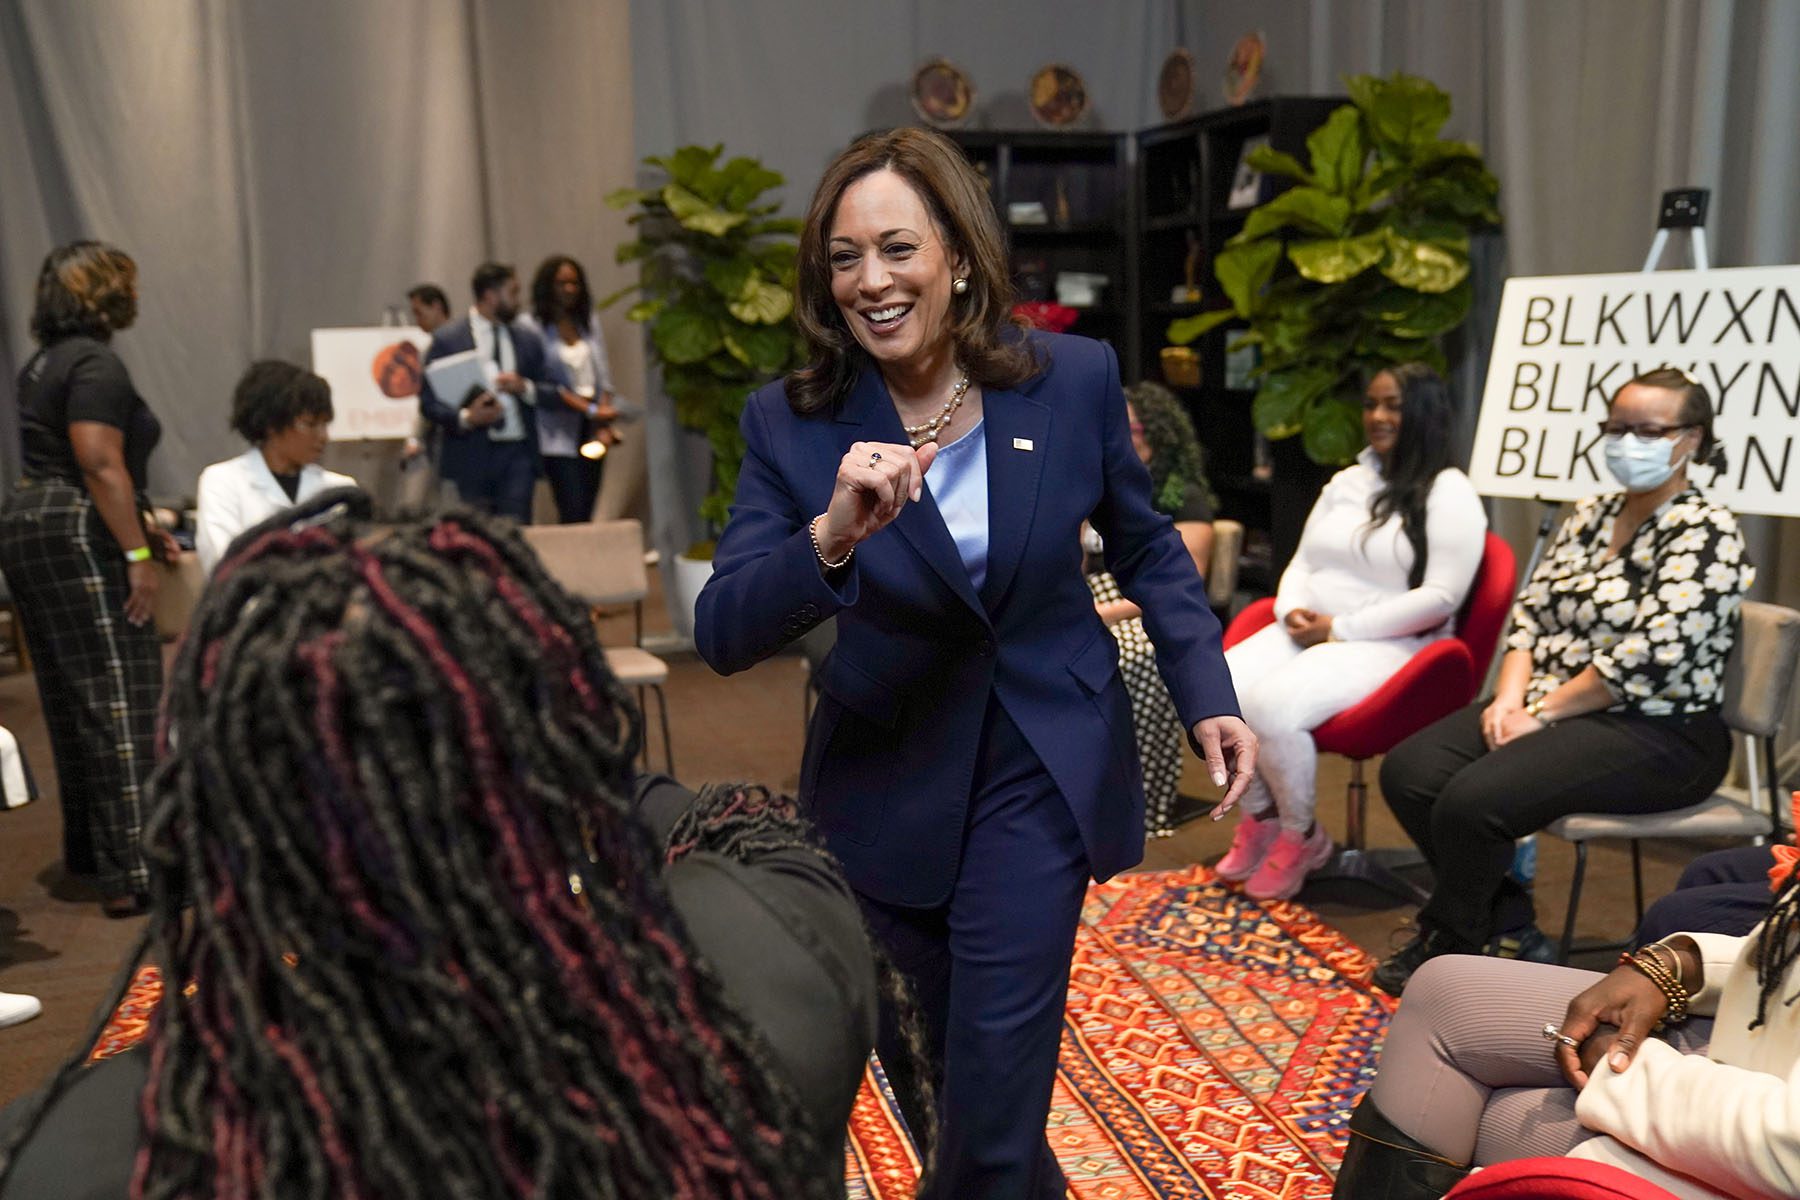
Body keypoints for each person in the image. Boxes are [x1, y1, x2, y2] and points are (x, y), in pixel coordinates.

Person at [0, 492, 912, 1199]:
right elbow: (746, 826)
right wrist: (547, 765)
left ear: (224, 808)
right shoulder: (769, 956)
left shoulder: (94, 1152)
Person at [693, 126, 1256, 1200]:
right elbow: (722, 630)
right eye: (845, 258)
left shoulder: (1072, 377)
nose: (873, 281)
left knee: (994, 1107)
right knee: (948, 1082)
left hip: (1040, 764)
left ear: (957, 254)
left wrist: (1206, 690)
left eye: (898, 248)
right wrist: (831, 536)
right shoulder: (792, 420)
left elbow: (1144, 542)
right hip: (884, 782)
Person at [1373, 367, 1752, 996]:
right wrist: (1509, 697)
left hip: (1662, 730)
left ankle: (1455, 941)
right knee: (1410, 772)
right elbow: (1531, 613)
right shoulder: (1591, 513)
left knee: (1474, 802)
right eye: (1616, 428)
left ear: (1691, 439)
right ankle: (1511, 924)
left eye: (1648, 430)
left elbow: (1648, 656)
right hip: (1554, 704)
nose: (1627, 442)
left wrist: (1540, 712)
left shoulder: (1706, 530)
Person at [1333, 873, 1800, 1200]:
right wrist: (1682, 965)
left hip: (1767, 1149)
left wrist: (1626, 1070)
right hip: (1762, 1046)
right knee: (1445, 991)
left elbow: (1788, 1144)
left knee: (1495, 1113)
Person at [1215, 364, 1487, 901]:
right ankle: (1262, 817)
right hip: (1312, 627)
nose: (1378, 417)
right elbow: (1304, 560)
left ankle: (1302, 835)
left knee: (1272, 708)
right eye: (1372, 404)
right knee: (1215, 691)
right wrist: (1292, 608)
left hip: (1394, 643)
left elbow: (1440, 598)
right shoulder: (1350, 481)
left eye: (1394, 406)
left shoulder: (1449, 493)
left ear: (1426, 416)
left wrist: (1338, 629)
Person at [0, 240, 173, 917]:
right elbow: (100, 463)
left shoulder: (41, 363)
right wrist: (137, 556)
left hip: (27, 519)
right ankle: (139, 870)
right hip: (78, 525)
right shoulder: (97, 362)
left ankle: (95, 856)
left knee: (73, 697)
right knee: (122, 691)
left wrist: (139, 525)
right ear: (105, 293)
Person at [1083, 380, 1216, 837]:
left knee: (1133, 658)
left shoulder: (1180, 495)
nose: (1125, 436)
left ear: (1159, 434)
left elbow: (1182, 580)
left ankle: (1140, 802)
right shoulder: (1092, 482)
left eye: (1136, 428)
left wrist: (1104, 613)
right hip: (1082, 595)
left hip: (1134, 606)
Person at [416, 262, 560, 522]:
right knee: (476, 534)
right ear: (490, 296)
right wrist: (466, 418)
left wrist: (525, 387)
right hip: (471, 453)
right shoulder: (449, 340)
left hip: (517, 453)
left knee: (517, 532)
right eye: (513, 292)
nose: (519, 301)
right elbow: (428, 403)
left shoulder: (527, 339)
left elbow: (553, 391)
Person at [193, 360, 357, 573]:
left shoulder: (341, 489)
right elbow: (224, 562)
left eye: (326, 424)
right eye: (310, 424)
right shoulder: (223, 482)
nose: (323, 436)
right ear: (271, 425)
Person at [519, 254, 630, 524]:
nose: (569, 290)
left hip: (591, 424)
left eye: (574, 283)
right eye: (561, 283)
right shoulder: (531, 326)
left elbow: (602, 371)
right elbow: (543, 383)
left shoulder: (586, 321)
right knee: (572, 504)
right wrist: (589, 408)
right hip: (556, 428)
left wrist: (602, 414)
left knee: (589, 501)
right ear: (547, 286)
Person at [399, 283, 451, 470]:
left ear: (436, 307)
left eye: (419, 313)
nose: (417, 320)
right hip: (438, 438)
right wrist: (416, 437)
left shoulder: (465, 343)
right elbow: (426, 402)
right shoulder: (427, 352)